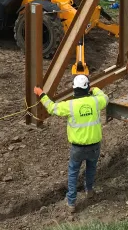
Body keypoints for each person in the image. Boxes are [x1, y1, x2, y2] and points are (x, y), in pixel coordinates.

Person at [34, 75, 109, 213]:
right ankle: (89, 190)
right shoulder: (96, 102)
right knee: (91, 169)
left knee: (73, 173)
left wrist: (41, 94)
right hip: (94, 146)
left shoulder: (69, 105)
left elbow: (52, 108)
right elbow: (105, 98)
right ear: (87, 88)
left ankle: (71, 203)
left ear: (74, 89)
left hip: (78, 148)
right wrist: (95, 89)